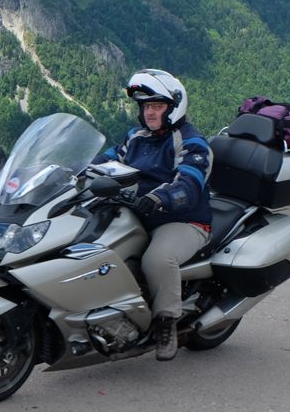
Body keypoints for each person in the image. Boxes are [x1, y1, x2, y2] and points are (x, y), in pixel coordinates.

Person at [92, 68, 212, 361]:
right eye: (146, 107)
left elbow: (190, 185)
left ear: (173, 107)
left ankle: (166, 323)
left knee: (157, 259)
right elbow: (103, 162)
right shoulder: (135, 136)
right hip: (137, 213)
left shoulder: (192, 142)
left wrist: (159, 198)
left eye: (157, 106)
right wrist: (69, 173)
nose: (150, 112)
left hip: (182, 220)